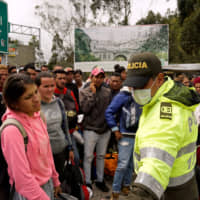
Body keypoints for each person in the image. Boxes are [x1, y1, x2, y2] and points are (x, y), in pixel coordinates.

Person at [123, 52, 200, 200]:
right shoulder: (173, 97)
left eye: (140, 85)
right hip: (186, 183)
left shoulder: (164, 115)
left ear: (159, 79)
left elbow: (154, 168)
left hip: (169, 191)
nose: (135, 91)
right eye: (132, 86)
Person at [1, 73, 61, 199]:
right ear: (14, 104)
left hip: (47, 183)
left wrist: (55, 179)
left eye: (35, 92)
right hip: (29, 193)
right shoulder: (12, 130)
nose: (36, 99)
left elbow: (47, 153)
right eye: (28, 97)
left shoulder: (38, 116)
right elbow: (22, 180)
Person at [35, 72, 74, 182]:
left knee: (59, 182)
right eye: (45, 86)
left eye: (52, 86)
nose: (50, 89)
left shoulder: (59, 102)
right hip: (42, 155)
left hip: (60, 151)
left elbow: (64, 126)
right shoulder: (34, 105)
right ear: (37, 87)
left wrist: (70, 147)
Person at [105, 84, 142, 200]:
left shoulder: (142, 95)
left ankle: (126, 186)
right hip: (125, 135)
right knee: (122, 165)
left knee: (131, 164)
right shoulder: (123, 95)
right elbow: (109, 112)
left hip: (138, 135)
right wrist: (115, 129)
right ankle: (115, 192)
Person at [79, 66, 111, 192]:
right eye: (96, 76)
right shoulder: (84, 91)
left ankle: (100, 179)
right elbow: (85, 109)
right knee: (88, 156)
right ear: (91, 77)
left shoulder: (107, 92)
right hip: (90, 129)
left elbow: (109, 110)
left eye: (101, 77)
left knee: (101, 156)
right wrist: (92, 94)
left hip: (104, 129)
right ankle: (87, 181)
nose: (99, 79)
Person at [53, 69, 80, 166]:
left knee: (75, 159)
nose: (63, 81)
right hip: (55, 135)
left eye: (64, 78)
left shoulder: (70, 92)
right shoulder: (51, 94)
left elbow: (76, 109)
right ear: (54, 80)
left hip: (70, 133)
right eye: (60, 78)